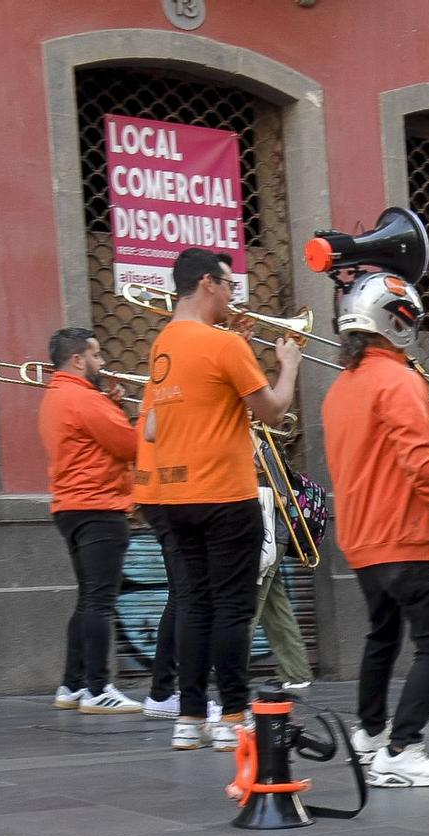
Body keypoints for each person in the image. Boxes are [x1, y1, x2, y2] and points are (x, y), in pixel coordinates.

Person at [137, 246, 300, 750]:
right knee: (232, 607)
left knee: (192, 604)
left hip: (171, 495)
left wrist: (239, 352)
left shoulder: (163, 344)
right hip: (223, 493)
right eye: (230, 285)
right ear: (208, 282)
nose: (234, 295)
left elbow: (201, 410)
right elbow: (273, 411)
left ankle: (189, 718)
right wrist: (287, 364)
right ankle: (232, 714)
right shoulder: (225, 346)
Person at [322, 272, 429, 787]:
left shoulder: (339, 389)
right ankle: (403, 748)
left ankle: (369, 735)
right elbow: (421, 463)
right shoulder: (399, 380)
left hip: (361, 542)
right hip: (403, 537)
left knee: (381, 635)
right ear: (396, 321)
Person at [40, 327, 143, 714]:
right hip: (99, 505)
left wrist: (107, 403)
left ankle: (72, 685)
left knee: (87, 600)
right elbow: (131, 445)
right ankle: (99, 687)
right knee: (100, 601)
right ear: (78, 359)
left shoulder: (57, 395)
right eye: (97, 356)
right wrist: (134, 408)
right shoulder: (83, 398)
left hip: (72, 506)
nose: (103, 363)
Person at [250, 456, 313, 690]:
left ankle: (231, 678)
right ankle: (297, 673)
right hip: (268, 537)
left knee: (247, 607)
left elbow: (282, 497)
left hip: (269, 538)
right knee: (275, 607)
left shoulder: (262, 445)